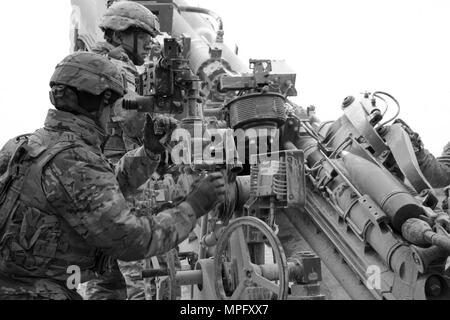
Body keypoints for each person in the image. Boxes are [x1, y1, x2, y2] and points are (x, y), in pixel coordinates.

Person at [0, 52, 225, 300]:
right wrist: (193, 206)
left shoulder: (25, 144)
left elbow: (96, 193)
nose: (114, 115)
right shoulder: (76, 159)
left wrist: (149, 152)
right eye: (113, 106)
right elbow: (131, 239)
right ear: (101, 101)